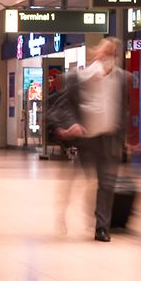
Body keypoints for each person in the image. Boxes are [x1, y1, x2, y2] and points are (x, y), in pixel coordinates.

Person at [48, 37, 129, 242]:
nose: (106, 59)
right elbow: (61, 105)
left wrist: (124, 140)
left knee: (106, 184)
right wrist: (70, 124)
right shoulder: (82, 77)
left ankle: (102, 227)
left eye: (111, 55)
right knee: (80, 181)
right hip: (86, 139)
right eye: (104, 54)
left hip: (109, 139)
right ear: (98, 55)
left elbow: (122, 111)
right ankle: (62, 212)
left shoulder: (122, 79)